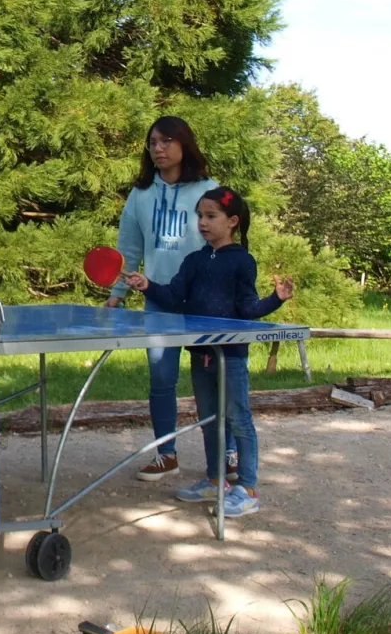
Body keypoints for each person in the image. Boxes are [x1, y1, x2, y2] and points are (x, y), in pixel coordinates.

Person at [123, 186, 294, 518]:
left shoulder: (242, 261)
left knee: (239, 419)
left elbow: (248, 309)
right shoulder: (194, 260)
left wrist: (276, 299)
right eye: (200, 215)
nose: (202, 222)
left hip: (230, 356)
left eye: (210, 216)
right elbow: (175, 297)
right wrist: (148, 285)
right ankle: (216, 481)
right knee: (208, 420)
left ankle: (247, 488)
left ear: (232, 221)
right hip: (200, 354)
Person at [104, 116, 226, 482]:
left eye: (166, 141)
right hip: (159, 301)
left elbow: (225, 243)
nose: (158, 148)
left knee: (214, 382)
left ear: (183, 144)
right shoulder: (140, 195)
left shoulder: (209, 189)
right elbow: (128, 248)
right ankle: (166, 453)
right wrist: (117, 293)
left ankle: (227, 455)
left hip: (206, 304)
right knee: (161, 381)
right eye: (152, 142)